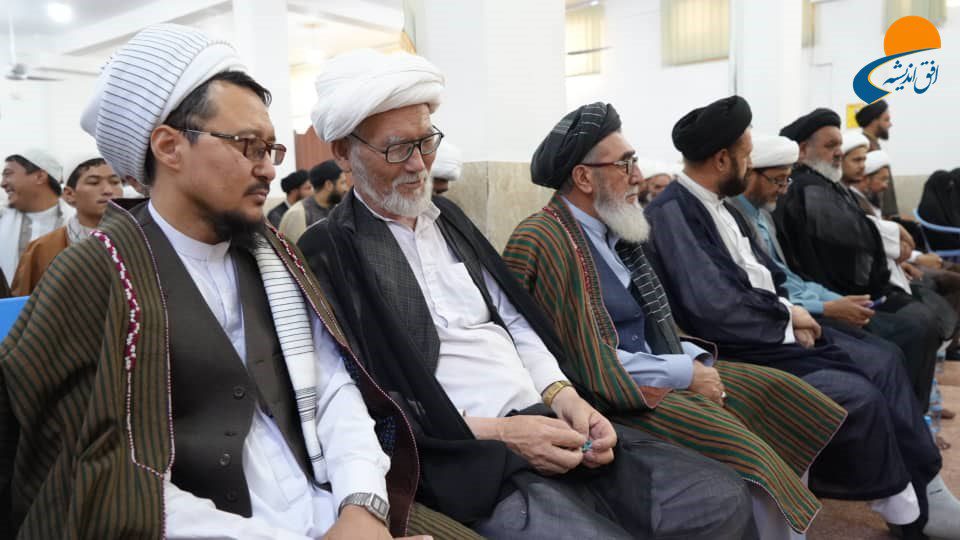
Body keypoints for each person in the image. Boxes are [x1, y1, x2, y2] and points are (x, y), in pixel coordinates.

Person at [0, 24, 462, 540]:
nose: (267, 170)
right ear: (169, 147)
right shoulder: (95, 274)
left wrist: (363, 506)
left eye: (270, 150)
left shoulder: (273, 255)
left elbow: (333, 388)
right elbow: (105, 480)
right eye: (248, 146)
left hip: (329, 504)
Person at [299, 48, 754, 539]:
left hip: (545, 417)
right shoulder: (329, 249)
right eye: (396, 149)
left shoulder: (449, 220)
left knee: (717, 499)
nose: (418, 164)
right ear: (343, 152)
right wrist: (505, 434)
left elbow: (514, 321)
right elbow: (366, 402)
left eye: (426, 142)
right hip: (466, 452)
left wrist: (566, 398)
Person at [505, 102, 846, 539]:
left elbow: (653, 327)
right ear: (584, 178)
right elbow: (585, 361)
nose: (637, 175)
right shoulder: (544, 238)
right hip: (612, 399)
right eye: (625, 163)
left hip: (658, 371)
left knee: (789, 400)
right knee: (753, 457)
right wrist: (686, 374)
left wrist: (694, 362)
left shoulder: (616, 229)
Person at [645, 95, 958, 539]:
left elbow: (768, 273)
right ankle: (908, 506)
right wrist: (789, 320)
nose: (749, 165)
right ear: (722, 159)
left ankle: (924, 486)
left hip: (772, 323)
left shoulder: (720, 204)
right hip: (742, 343)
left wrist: (793, 312)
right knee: (862, 388)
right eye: (746, 156)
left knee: (886, 356)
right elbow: (714, 305)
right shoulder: (673, 213)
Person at [774, 108, 950, 406]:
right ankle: (907, 413)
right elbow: (853, 235)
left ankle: (913, 410)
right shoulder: (807, 188)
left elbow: (858, 229)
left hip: (844, 290)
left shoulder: (824, 183)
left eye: (839, 145)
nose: (838, 153)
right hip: (832, 292)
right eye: (830, 145)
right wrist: (891, 238)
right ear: (803, 150)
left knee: (923, 314)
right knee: (917, 325)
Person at [10, 158, 123, 295]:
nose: (108, 190)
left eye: (115, 182)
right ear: (69, 194)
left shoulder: (140, 238)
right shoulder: (41, 249)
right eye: (94, 182)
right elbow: (22, 304)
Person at [0, 150, 75, 281]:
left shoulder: (77, 222)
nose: (2, 184)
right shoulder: (2, 219)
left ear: (40, 176)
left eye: (8, 174)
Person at [278, 160, 345, 243]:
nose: (346, 188)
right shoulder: (298, 213)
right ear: (328, 185)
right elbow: (296, 249)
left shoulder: (337, 210)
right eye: (342, 183)